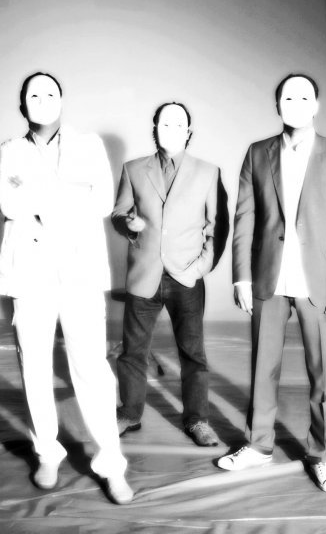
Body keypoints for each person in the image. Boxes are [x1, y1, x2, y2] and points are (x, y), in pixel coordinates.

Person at [0, 72, 134, 504]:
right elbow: (8, 203)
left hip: (79, 270)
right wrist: (67, 192)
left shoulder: (89, 145)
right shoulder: (10, 150)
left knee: (91, 367)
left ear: (61, 100)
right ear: (22, 105)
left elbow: (102, 201)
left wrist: (37, 194)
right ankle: (47, 453)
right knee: (34, 366)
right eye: (33, 94)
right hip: (29, 271)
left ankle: (111, 464)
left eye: (50, 92)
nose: (42, 99)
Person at [218, 74, 326, 494]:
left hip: (318, 280)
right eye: (287, 97)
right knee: (263, 367)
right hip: (268, 276)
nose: (295, 103)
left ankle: (321, 457)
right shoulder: (257, 153)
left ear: (315, 105)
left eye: (304, 97)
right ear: (277, 105)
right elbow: (245, 218)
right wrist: (241, 276)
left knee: (323, 374)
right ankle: (259, 446)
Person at [111, 102, 227, 447]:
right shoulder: (133, 169)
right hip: (144, 275)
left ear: (189, 131)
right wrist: (127, 223)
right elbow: (118, 212)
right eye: (164, 123)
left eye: (179, 124)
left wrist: (200, 268)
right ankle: (129, 413)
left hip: (186, 277)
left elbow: (217, 227)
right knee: (132, 352)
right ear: (154, 129)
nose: (171, 129)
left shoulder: (208, 172)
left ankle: (197, 419)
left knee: (193, 354)